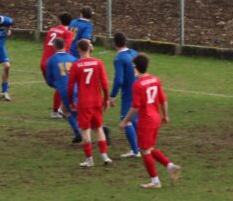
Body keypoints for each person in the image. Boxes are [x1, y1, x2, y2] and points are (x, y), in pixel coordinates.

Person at [121, 53, 181, 189]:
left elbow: (135, 107)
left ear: (136, 67)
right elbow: (163, 100)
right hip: (156, 118)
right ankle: (170, 166)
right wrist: (165, 116)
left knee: (145, 151)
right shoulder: (155, 80)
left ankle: (155, 181)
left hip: (146, 120)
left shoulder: (137, 85)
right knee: (150, 148)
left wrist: (125, 121)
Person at [68, 39, 112, 167]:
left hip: (84, 102)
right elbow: (104, 83)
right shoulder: (98, 63)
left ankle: (89, 159)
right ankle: (104, 156)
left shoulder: (76, 65)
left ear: (79, 49)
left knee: (85, 130)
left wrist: (71, 101)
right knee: (98, 128)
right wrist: (106, 99)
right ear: (89, 48)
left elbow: (70, 86)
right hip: (97, 100)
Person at [109, 32, 141, 158]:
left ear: (114, 44)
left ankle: (135, 150)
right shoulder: (134, 52)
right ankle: (140, 146)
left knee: (126, 119)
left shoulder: (119, 58)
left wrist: (112, 95)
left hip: (129, 91)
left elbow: (119, 80)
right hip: (139, 87)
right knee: (135, 119)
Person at [44, 37, 82, 141]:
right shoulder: (73, 58)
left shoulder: (51, 60)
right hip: (77, 88)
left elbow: (49, 80)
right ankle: (77, 132)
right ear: (65, 46)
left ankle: (99, 129)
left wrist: (58, 85)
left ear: (54, 46)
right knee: (64, 110)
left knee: (76, 113)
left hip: (65, 90)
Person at [40, 12, 74, 118]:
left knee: (60, 86)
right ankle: (57, 111)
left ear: (59, 21)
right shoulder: (68, 33)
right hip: (55, 62)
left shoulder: (51, 30)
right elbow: (66, 49)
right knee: (63, 85)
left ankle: (62, 108)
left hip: (44, 62)